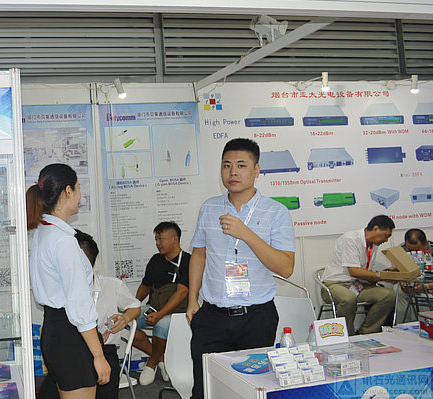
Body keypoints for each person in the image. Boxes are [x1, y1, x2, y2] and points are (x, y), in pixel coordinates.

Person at [187, 138, 295, 399]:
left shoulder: (276, 212)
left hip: (256, 317)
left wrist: (246, 234)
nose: (233, 172)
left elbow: (286, 268)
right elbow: (199, 254)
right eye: (227, 165)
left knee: (252, 389)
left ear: (256, 170)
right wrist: (192, 299)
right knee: (205, 389)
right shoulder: (209, 208)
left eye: (241, 165)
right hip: (211, 316)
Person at [28, 164, 110, 399]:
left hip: (54, 330)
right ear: (67, 191)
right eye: (78, 188)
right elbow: (79, 305)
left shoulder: (44, 232)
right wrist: (98, 355)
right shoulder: (62, 241)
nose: (80, 195)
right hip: (71, 336)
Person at [39, 230, 141, 399]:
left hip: (105, 352)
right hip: (72, 351)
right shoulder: (60, 291)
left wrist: (125, 318)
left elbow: (135, 306)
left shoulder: (111, 285)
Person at [132, 221, 190, 386]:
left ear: (175, 239)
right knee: (126, 324)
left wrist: (160, 315)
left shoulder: (188, 260)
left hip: (178, 313)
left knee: (162, 325)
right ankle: (160, 358)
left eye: (161, 239)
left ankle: (151, 363)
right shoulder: (156, 260)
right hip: (154, 307)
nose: (158, 243)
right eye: (156, 239)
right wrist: (133, 307)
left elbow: (182, 293)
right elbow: (145, 286)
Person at [320, 215, 396, 335]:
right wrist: (382, 276)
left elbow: (367, 273)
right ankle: (348, 336)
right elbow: (354, 271)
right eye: (386, 235)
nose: (386, 240)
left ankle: (366, 333)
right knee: (348, 298)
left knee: (388, 295)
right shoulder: (350, 239)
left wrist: (389, 276)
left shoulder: (373, 245)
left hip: (358, 285)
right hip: (335, 284)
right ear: (376, 229)